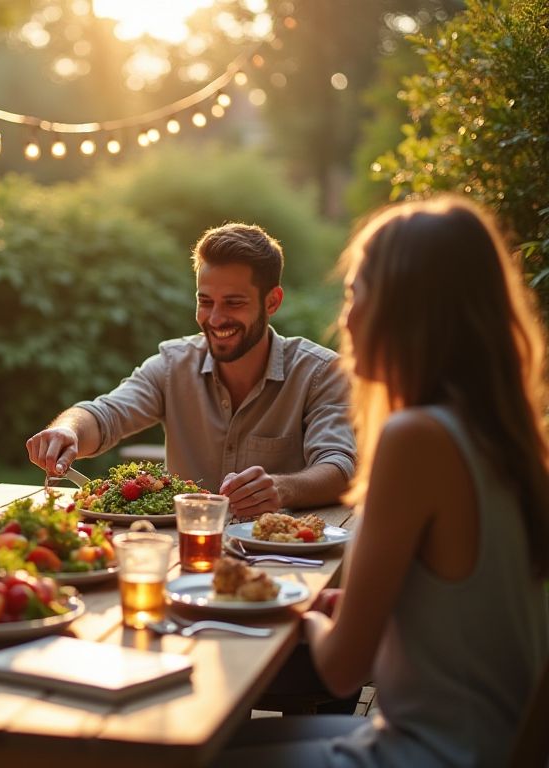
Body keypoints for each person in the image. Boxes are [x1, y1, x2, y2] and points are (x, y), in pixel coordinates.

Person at [214, 196, 549, 766]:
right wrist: (356, 606)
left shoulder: (416, 438)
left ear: (410, 308)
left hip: (425, 753)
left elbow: (341, 669)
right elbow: (460, 610)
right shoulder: (499, 436)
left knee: (189, 754)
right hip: (484, 744)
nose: (345, 321)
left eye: (355, 294)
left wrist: (301, 609)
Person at [27, 223, 355, 517]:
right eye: (206, 301)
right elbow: (106, 414)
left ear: (272, 302)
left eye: (234, 303)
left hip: (281, 554)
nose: (215, 318)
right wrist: (68, 431)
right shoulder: (173, 365)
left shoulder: (320, 373)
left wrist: (282, 488)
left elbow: (341, 467)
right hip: (184, 548)